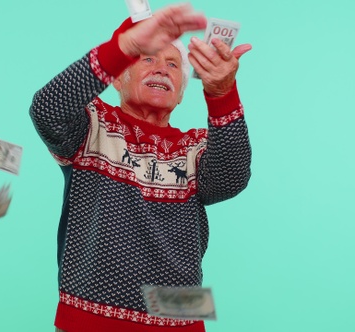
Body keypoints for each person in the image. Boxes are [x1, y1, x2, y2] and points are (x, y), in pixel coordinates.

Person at [30, 4, 252, 332]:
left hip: (179, 319)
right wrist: (125, 47)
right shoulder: (93, 126)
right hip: (89, 321)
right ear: (119, 78)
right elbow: (47, 111)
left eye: (173, 64)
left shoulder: (196, 147)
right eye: (148, 58)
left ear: (179, 95)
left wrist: (222, 92)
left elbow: (231, 178)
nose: (161, 68)